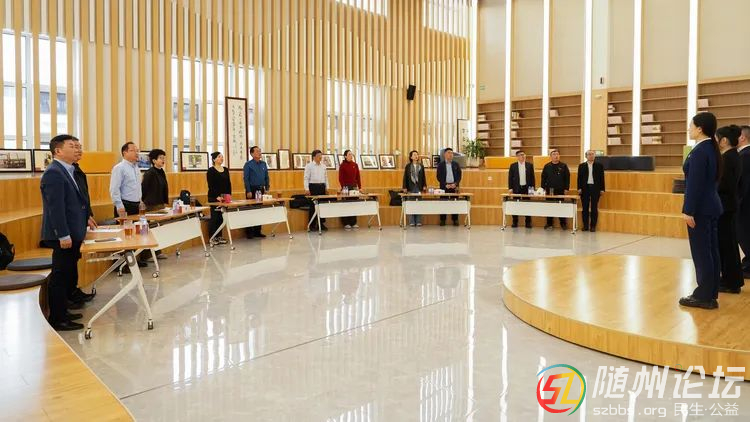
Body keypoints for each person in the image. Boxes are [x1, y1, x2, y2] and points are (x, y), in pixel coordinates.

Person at [40, 134, 90, 331]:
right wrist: (63, 234)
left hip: (72, 231)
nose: (77, 149)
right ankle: (58, 318)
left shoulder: (68, 170)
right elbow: (56, 208)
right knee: (60, 276)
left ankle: (64, 311)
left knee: (67, 272)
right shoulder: (54, 172)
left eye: (78, 146)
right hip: (62, 234)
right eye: (72, 146)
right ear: (58, 151)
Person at [679, 112, 723, 310]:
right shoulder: (711, 148)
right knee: (711, 250)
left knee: (702, 252)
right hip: (711, 205)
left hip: (700, 209)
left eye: (691, 126)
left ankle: (703, 295)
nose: (689, 129)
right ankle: (710, 291)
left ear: (700, 128)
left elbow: (694, 184)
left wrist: (688, 210)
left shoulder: (699, 151)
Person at [110, 141, 147, 267]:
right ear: (124, 153)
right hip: (124, 205)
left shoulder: (136, 168)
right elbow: (114, 189)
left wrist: (140, 201)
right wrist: (119, 205)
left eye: (137, 150)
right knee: (123, 235)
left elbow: (137, 188)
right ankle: (122, 265)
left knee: (136, 233)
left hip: (136, 205)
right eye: (133, 150)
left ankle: (134, 261)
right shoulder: (119, 168)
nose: (137, 153)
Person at [716, 125, 743, 293]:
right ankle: (731, 279)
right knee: (729, 243)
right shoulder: (733, 156)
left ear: (724, 140)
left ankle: (730, 281)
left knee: (726, 244)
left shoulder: (728, 158)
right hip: (729, 205)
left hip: (725, 206)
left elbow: (723, 185)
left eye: (717, 138)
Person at [243, 146, 270, 238]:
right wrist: (248, 190)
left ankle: (257, 231)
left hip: (261, 189)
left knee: (259, 210)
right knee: (250, 210)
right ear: (252, 153)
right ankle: (249, 232)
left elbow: (266, 177)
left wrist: (267, 188)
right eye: (257, 151)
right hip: (252, 190)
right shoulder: (248, 164)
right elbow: (246, 179)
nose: (259, 153)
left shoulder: (263, 164)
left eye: (260, 151)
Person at [541, 149, 570, 230]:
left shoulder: (563, 166)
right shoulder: (547, 166)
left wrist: (566, 188)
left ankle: (563, 223)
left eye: (557, 154)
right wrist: (543, 188)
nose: (556, 156)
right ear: (551, 156)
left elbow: (567, 178)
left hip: (560, 190)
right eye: (554, 154)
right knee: (549, 206)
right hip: (549, 190)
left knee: (561, 206)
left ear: (559, 156)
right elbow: (543, 178)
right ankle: (549, 223)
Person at [577, 150, 606, 232]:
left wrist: (602, 189)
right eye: (589, 154)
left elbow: (602, 178)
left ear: (594, 156)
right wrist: (579, 188)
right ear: (586, 156)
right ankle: (585, 226)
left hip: (595, 188)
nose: (591, 156)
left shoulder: (599, 166)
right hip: (584, 188)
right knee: (585, 208)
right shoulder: (581, 166)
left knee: (594, 208)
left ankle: (593, 226)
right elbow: (579, 178)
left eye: (592, 154)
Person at [207, 152, 232, 244]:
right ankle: (212, 238)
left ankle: (219, 236)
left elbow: (228, 183)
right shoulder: (211, 170)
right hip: (214, 197)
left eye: (222, 157)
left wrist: (229, 195)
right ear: (214, 159)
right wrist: (216, 196)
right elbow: (211, 185)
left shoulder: (225, 169)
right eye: (219, 157)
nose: (221, 158)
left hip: (224, 197)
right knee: (215, 217)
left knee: (221, 218)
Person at [508, 150, 535, 228]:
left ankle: (528, 222)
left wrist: (532, 189)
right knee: (515, 205)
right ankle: (515, 222)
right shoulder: (513, 166)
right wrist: (510, 188)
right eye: (521, 155)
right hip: (516, 188)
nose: (523, 156)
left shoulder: (529, 165)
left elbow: (532, 178)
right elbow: (510, 178)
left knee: (527, 205)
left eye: (524, 154)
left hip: (526, 188)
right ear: (517, 157)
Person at [736, 125, 750, 277]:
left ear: (742, 137)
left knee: (744, 234)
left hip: (745, 204)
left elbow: (743, 184)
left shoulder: (744, 156)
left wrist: (738, 203)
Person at [436, 147, 462, 226]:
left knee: (455, 203)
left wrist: (455, 184)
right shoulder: (441, 165)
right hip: (445, 187)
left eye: (451, 153)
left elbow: (459, 176)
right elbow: (438, 177)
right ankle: (442, 220)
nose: (450, 154)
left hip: (454, 187)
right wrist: (445, 184)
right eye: (449, 153)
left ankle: (455, 220)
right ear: (445, 154)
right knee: (443, 203)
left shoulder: (456, 164)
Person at [304, 150, 329, 231]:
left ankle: (321, 224)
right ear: (314, 157)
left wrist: (327, 187)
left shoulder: (323, 166)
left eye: (321, 155)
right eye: (318, 156)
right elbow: (306, 178)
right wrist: (307, 189)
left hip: (322, 187)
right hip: (313, 187)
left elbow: (326, 178)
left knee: (322, 206)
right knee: (313, 206)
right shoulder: (309, 166)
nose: (320, 157)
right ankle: (311, 225)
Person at [402, 150, 427, 227]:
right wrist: (404, 187)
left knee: (419, 204)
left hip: (419, 187)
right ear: (411, 157)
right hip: (411, 187)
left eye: (417, 154)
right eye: (414, 155)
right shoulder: (408, 166)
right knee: (411, 204)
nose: (416, 156)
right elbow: (405, 177)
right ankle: (412, 221)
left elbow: (423, 177)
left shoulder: (421, 166)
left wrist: (424, 185)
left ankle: (418, 221)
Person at [338, 149, 362, 229]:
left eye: (351, 154)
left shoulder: (355, 165)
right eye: (349, 154)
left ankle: (353, 222)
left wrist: (360, 187)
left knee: (354, 204)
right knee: (346, 205)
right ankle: (346, 223)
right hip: (346, 188)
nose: (351, 156)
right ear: (345, 156)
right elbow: (340, 178)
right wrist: (343, 188)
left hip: (354, 187)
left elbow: (358, 177)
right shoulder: (342, 165)